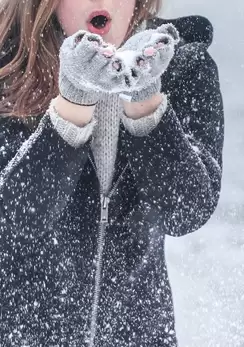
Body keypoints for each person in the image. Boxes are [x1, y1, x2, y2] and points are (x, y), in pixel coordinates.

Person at [0, 0, 224, 345]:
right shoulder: (8, 69)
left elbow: (186, 211)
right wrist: (73, 103)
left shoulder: (183, 67)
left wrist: (145, 101)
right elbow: (16, 217)